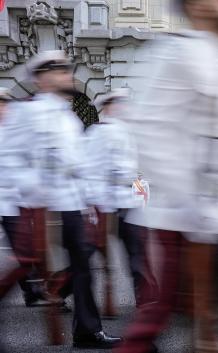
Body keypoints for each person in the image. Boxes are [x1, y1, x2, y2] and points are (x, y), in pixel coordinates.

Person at [114, 0, 218, 351]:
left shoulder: (216, 58)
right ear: (198, 5)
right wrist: (191, 199)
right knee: (155, 321)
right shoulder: (173, 53)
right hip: (183, 218)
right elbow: (148, 130)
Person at [1, 50, 121, 349]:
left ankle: (87, 331)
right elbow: (10, 159)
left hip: (69, 203)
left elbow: (80, 165)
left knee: (83, 264)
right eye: (60, 70)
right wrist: (33, 191)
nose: (67, 74)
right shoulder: (26, 113)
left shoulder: (69, 118)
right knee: (23, 265)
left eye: (67, 69)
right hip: (38, 206)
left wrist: (90, 202)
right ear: (43, 77)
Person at [84, 88, 158, 312]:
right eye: (120, 103)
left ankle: (147, 298)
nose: (125, 107)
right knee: (87, 252)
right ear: (108, 107)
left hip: (127, 199)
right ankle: (58, 289)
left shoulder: (127, 130)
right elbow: (90, 170)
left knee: (138, 251)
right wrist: (93, 203)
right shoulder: (99, 132)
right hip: (106, 202)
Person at [0, 88, 56, 309]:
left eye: (4, 103)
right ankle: (32, 291)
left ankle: (31, 292)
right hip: (8, 199)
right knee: (24, 252)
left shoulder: (13, 129)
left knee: (24, 251)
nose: (2, 108)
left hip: (11, 201)